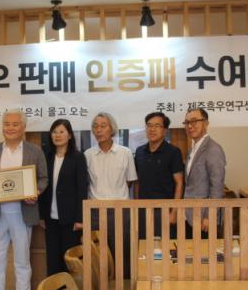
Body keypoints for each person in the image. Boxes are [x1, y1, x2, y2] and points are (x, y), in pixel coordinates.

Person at [0, 109, 48, 290]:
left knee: (22, 259)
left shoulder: (34, 151)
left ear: (23, 127)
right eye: (7, 124)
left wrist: (36, 192)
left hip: (23, 213)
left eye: (15, 124)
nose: (10, 128)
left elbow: (43, 178)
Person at [84, 112, 137, 277]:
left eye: (103, 126)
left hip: (121, 211)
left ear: (112, 129)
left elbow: (130, 181)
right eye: (95, 126)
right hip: (95, 211)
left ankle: (124, 287)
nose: (98, 130)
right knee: (98, 255)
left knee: (122, 252)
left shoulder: (125, 152)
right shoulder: (87, 155)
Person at [39, 119, 88, 276]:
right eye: (54, 132)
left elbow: (82, 189)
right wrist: (42, 215)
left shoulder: (78, 157)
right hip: (50, 218)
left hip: (70, 219)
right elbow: (42, 187)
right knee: (52, 259)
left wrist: (80, 218)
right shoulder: (46, 157)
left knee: (69, 259)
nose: (57, 135)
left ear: (70, 135)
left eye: (61, 132)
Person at [134, 112, 184, 238]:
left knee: (165, 246)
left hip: (164, 210)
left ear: (165, 130)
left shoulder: (173, 152)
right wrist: (136, 205)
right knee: (143, 245)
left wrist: (174, 212)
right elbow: (137, 181)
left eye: (157, 126)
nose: (152, 129)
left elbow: (179, 183)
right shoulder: (139, 152)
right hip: (143, 210)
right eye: (149, 125)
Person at [183, 107, 226, 234]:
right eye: (187, 122)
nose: (189, 126)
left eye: (194, 121)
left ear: (206, 123)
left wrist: (209, 216)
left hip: (205, 219)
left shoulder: (213, 149)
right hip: (191, 215)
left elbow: (217, 186)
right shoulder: (194, 148)